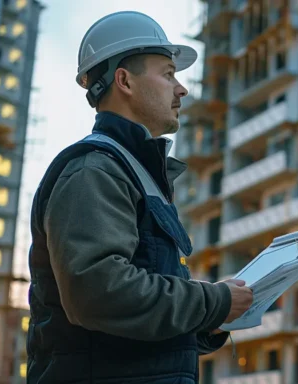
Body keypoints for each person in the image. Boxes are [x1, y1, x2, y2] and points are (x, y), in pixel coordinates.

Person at [25, 11, 254, 383]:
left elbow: (137, 327)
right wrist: (215, 301)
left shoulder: (135, 173)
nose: (181, 89)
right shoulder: (94, 171)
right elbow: (99, 294)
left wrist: (210, 321)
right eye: (168, 74)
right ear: (124, 81)